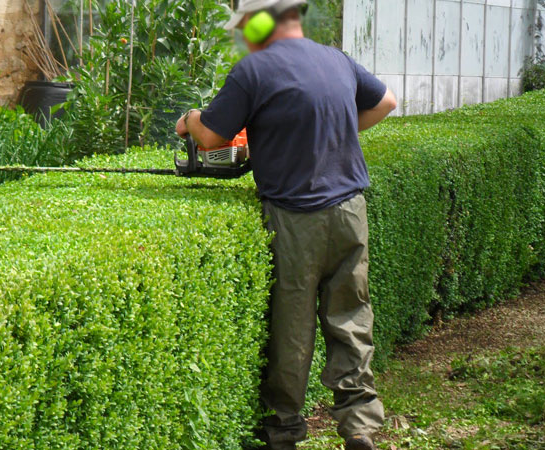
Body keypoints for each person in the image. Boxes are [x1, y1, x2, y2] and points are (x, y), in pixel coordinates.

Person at [175, 0, 397, 449]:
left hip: (296, 217)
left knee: (293, 328)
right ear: (295, 16)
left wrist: (188, 121)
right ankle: (359, 425)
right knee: (351, 316)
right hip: (350, 210)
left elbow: (214, 136)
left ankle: (283, 430)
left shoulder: (254, 71)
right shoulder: (335, 59)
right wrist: (332, 135)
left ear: (260, 22)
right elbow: (386, 102)